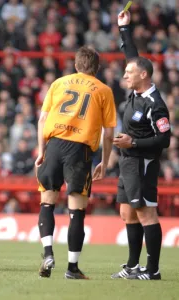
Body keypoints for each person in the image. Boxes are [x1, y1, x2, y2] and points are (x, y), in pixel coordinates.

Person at [35, 46, 117, 279]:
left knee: (47, 202)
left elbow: (42, 119)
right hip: (79, 150)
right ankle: (72, 268)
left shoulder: (59, 83)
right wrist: (105, 160)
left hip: (53, 145)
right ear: (97, 68)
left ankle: (48, 253)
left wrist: (42, 152)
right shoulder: (103, 90)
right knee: (76, 209)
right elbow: (109, 133)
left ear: (76, 65)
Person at [111, 10, 171, 281]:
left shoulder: (155, 105)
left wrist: (133, 142)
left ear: (143, 75)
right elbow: (132, 58)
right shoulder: (136, 90)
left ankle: (154, 270)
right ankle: (133, 266)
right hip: (127, 162)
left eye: (129, 73)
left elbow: (165, 140)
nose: (125, 75)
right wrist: (124, 29)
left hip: (142, 162)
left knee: (146, 213)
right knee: (127, 212)